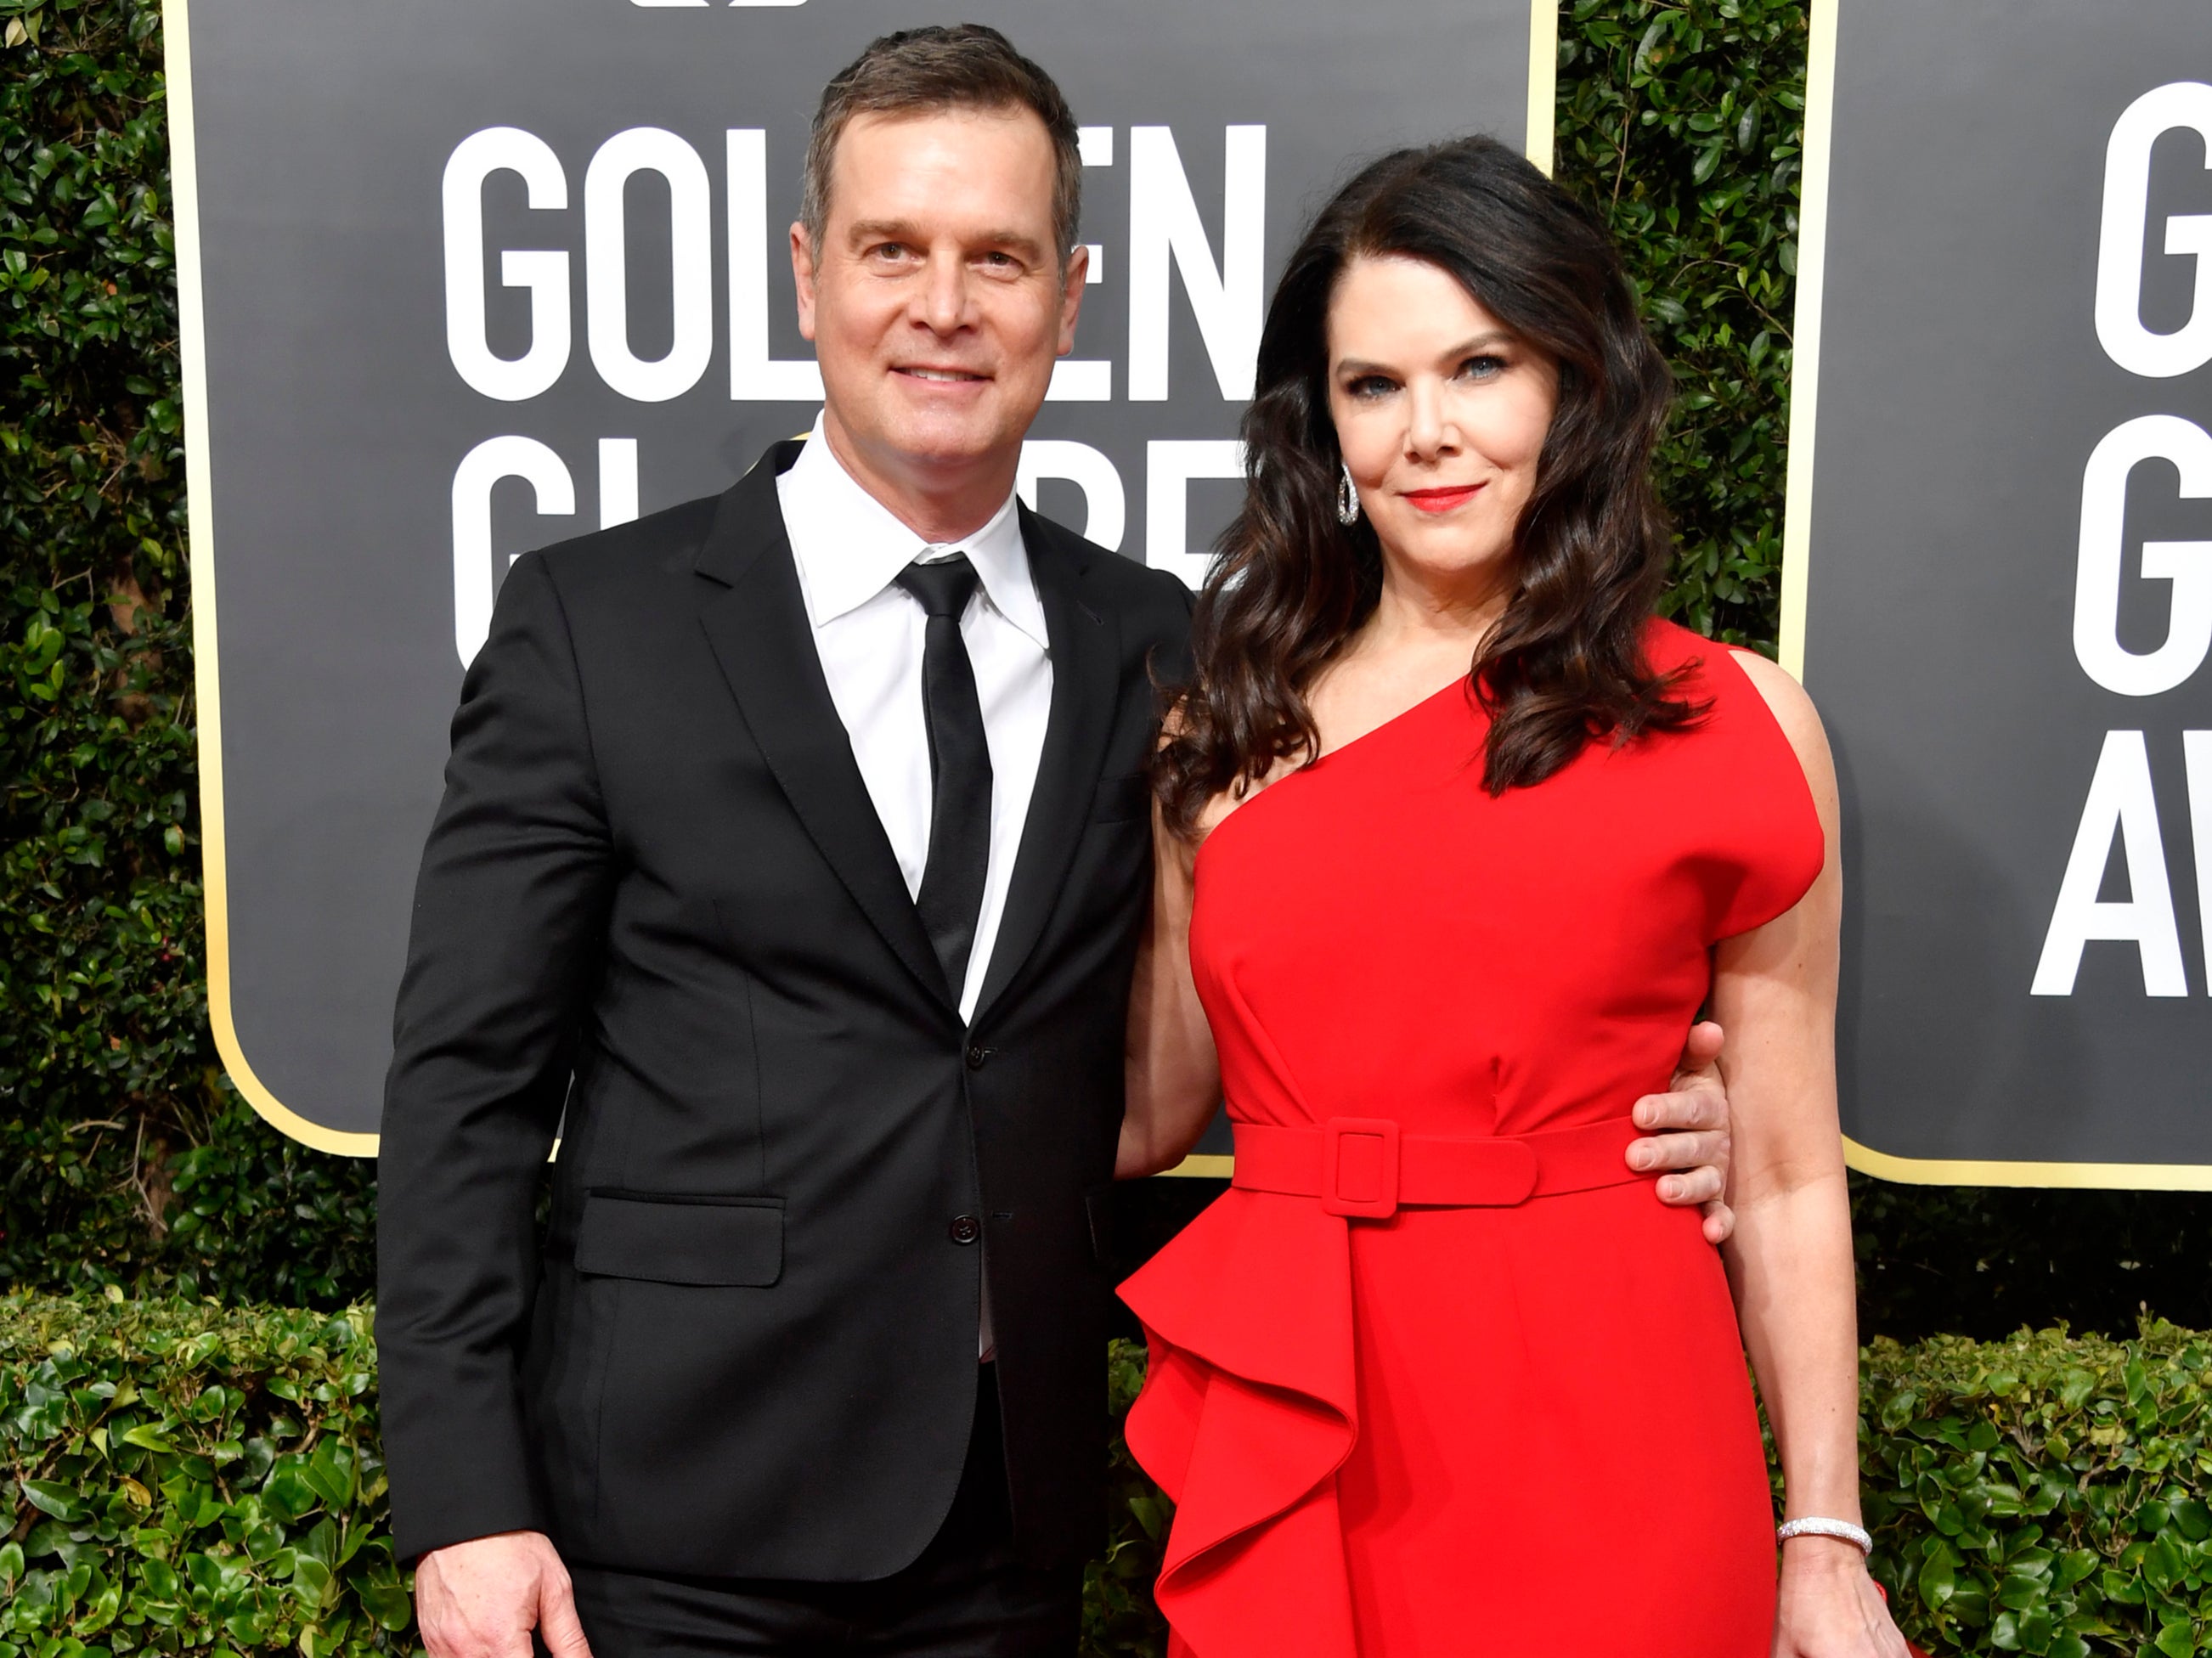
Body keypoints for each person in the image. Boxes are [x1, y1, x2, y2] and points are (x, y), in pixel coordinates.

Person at [377, 29, 1744, 1658]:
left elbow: (1290, 995)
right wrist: (467, 1502)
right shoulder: (594, 626)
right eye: (894, 250)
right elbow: (463, 1095)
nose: (944, 307)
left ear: (1070, 298)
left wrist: (1636, 1117)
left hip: (1003, 1535)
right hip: (666, 1532)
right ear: (810, 275)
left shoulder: (1168, 653)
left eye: (999, 259)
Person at [1118, 133, 1914, 1658]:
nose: (1428, 432)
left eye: (1479, 367)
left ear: (1572, 383)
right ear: (1322, 424)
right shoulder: (1221, 731)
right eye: (1373, 385)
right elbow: (1148, 1106)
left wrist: (1823, 1536)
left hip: (1616, 1413)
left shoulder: (1731, 720)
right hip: (1312, 1420)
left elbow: (1795, 1173)